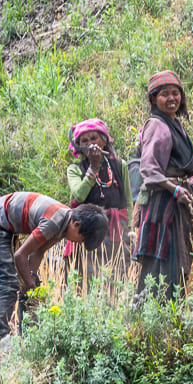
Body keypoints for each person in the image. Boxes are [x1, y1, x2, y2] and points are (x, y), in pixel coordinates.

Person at [0, 192, 108, 339]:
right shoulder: (53, 223)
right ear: (76, 225)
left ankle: (25, 338)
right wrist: (30, 283)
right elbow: (20, 255)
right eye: (82, 239)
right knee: (8, 282)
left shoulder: (64, 224)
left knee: (29, 287)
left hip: (6, 227)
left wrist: (31, 280)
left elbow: (38, 251)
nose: (79, 243)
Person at [135, 70, 193, 299]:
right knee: (163, 262)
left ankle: (170, 311)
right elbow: (149, 170)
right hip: (162, 206)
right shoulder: (157, 125)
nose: (171, 98)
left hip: (175, 204)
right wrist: (175, 189)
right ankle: (153, 311)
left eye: (175, 93)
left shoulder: (174, 124)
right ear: (154, 98)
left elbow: (174, 169)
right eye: (164, 94)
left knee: (178, 262)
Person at [65, 118, 132, 279]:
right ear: (79, 147)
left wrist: (129, 228)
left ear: (104, 140)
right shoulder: (74, 170)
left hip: (116, 230)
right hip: (87, 231)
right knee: (87, 277)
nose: (90, 144)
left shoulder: (120, 166)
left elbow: (128, 201)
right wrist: (93, 167)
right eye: (84, 141)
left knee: (116, 276)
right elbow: (79, 195)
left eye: (94, 138)